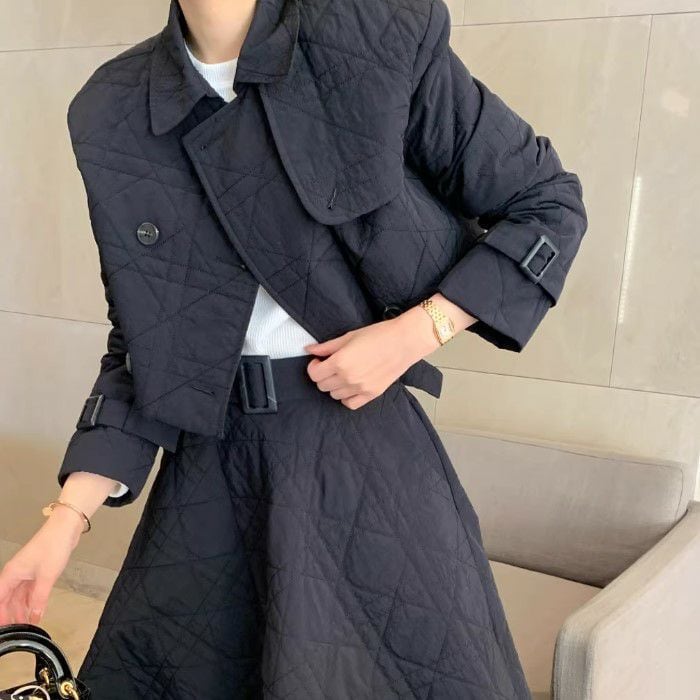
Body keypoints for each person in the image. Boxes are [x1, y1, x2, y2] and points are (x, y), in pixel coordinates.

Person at [0, 0, 587, 697]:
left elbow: (547, 205)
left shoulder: (375, 32)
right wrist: (67, 520)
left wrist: (413, 334)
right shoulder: (111, 109)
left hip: (362, 455)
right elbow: (143, 344)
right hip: (211, 474)